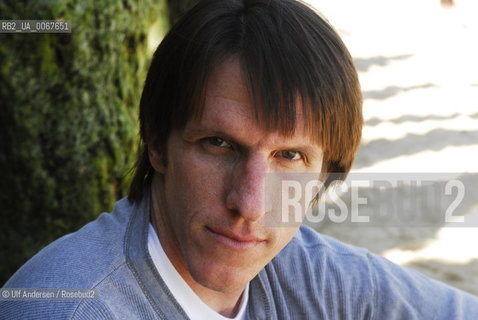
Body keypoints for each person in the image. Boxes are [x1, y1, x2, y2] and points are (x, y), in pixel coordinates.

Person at [1, 0, 477, 319]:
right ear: (156, 144)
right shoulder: (71, 307)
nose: (249, 203)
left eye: (289, 155)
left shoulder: (303, 271)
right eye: (219, 145)